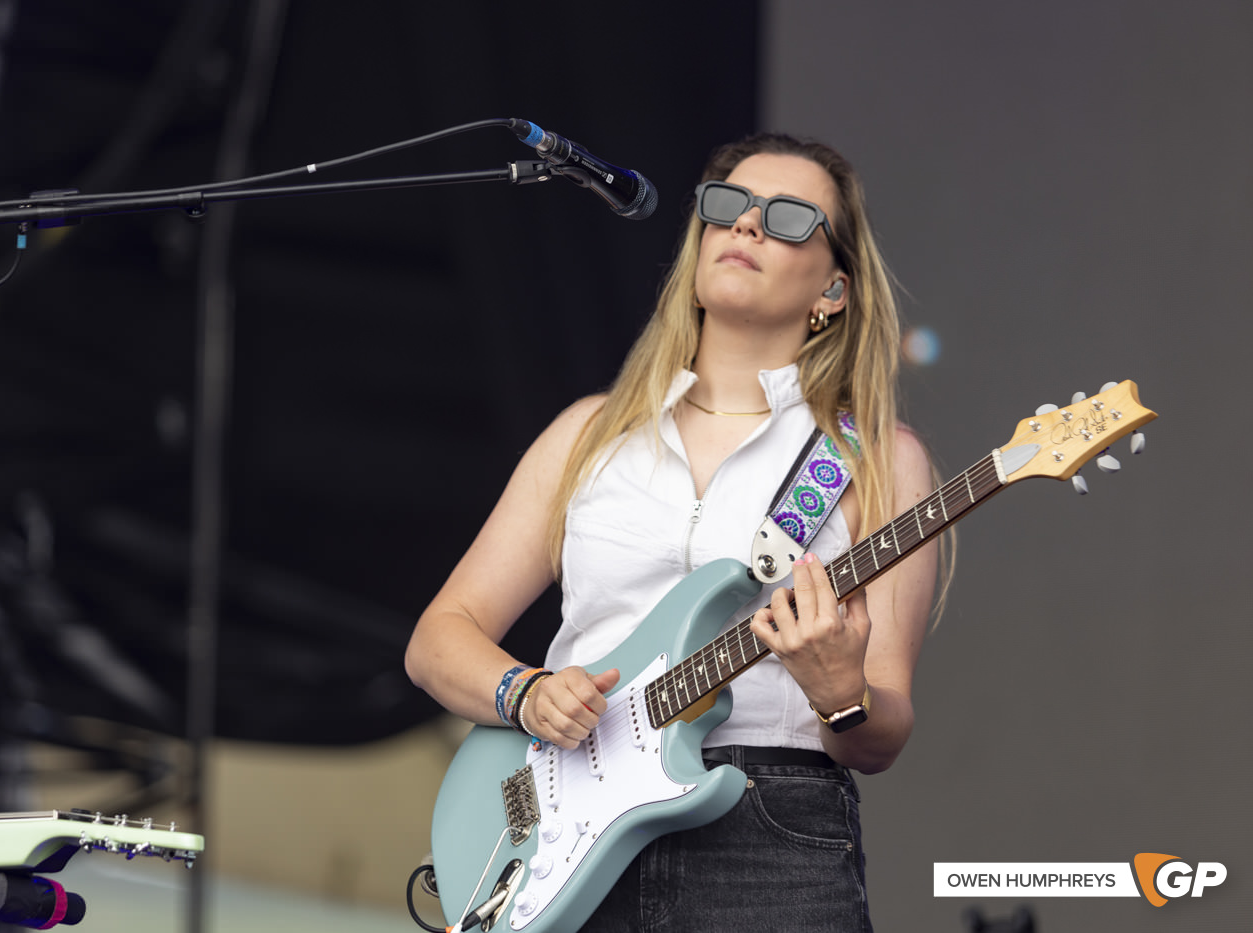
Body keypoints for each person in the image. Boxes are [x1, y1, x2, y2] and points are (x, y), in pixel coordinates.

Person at [405, 131, 945, 932]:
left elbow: (882, 728)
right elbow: (439, 638)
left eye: (789, 218)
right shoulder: (589, 435)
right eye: (727, 207)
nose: (747, 227)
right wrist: (526, 694)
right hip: (564, 825)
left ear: (832, 290)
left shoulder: (874, 459)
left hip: (770, 836)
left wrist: (841, 695)